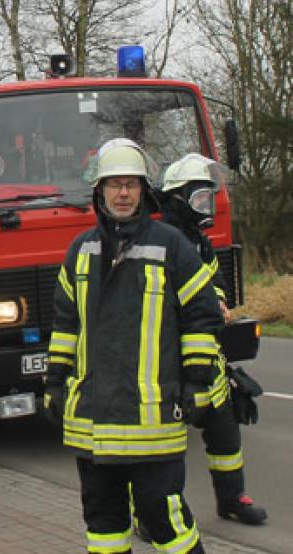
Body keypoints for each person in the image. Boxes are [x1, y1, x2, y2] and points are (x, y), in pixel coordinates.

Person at [44, 139, 223, 553]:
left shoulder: (171, 245)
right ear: (99, 191)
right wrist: (55, 380)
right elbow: (65, 323)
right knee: (103, 523)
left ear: (144, 191)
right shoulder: (80, 251)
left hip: (152, 420)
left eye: (131, 184)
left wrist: (196, 379)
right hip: (92, 420)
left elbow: (203, 314)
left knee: (165, 520)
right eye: (114, 184)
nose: (122, 193)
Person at [156, 154, 267, 525]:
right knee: (160, 446)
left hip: (207, 356)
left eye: (207, 198)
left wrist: (218, 299)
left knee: (225, 426)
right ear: (176, 200)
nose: (205, 207)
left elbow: (214, 281)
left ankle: (232, 499)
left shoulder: (199, 242)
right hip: (167, 360)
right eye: (198, 199)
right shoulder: (162, 242)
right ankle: (152, 515)